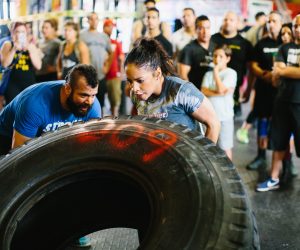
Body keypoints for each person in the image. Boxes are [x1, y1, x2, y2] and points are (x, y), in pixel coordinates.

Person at [125, 38, 220, 143]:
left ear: (157, 74)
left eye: (140, 80)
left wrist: (204, 157)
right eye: (130, 81)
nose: (134, 88)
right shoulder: (137, 95)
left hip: (188, 157)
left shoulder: (182, 91)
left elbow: (214, 124)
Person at [0, 64, 101, 155]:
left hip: (43, 139)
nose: (89, 101)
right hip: (7, 135)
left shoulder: (93, 107)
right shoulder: (35, 105)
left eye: (93, 95)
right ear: (67, 89)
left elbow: (92, 147)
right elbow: (19, 156)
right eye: (84, 95)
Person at [256, 14, 300, 192]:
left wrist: (284, 71)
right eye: (295, 26)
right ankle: (274, 178)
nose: (297, 29)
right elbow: (276, 73)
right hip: (282, 101)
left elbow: (281, 71)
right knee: (279, 143)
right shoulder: (284, 47)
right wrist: (288, 71)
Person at [246, 11, 282, 171]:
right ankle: (261, 156)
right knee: (262, 122)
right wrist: (263, 74)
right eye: (269, 21)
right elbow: (253, 64)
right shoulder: (261, 43)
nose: (271, 24)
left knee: (283, 127)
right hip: (263, 91)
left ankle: (286, 163)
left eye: (274, 21)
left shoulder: (287, 43)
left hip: (282, 93)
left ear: (281, 23)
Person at [211, 11, 254, 117]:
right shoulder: (212, 40)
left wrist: (248, 89)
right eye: (225, 19)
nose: (228, 22)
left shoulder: (245, 44)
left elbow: (250, 69)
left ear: (237, 23)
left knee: (229, 121)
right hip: (212, 88)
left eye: (231, 20)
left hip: (234, 91)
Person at [201, 44, 237, 160]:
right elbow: (203, 91)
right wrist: (220, 92)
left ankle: (229, 177)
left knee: (225, 148)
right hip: (209, 117)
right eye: (215, 56)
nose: (217, 59)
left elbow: (221, 89)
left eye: (221, 56)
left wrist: (216, 72)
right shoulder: (207, 74)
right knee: (208, 147)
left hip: (224, 117)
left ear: (228, 58)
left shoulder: (231, 73)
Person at [0, 21, 42, 104]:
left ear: (26, 33)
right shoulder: (7, 45)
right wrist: (14, 49)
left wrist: (30, 50)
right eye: (17, 31)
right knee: (13, 108)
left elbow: (38, 66)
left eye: (22, 32)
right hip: (12, 84)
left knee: (28, 107)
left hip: (28, 83)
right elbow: (5, 64)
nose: (20, 34)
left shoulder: (31, 46)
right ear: (12, 33)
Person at [80, 12, 112, 115]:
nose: (94, 21)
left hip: (101, 76)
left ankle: (98, 124)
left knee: (100, 103)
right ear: (88, 20)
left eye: (96, 19)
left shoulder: (104, 37)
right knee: (85, 103)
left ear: (98, 21)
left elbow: (111, 53)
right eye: (91, 19)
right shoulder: (82, 35)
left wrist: (107, 67)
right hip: (86, 76)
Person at [178, 15, 214, 89]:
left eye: (208, 28)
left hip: (213, 92)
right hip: (196, 93)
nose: (205, 32)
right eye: (201, 28)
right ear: (196, 29)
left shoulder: (216, 46)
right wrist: (193, 94)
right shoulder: (188, 49)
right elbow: (183, 76)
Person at [103, 19, 125, 116]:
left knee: (114, 102)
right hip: (101, 76)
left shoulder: (116, 43)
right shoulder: (100, 43)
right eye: (109, 26)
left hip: (113, 75)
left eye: (112, 27)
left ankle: (114, 121)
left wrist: (121, 74)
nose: (111, 29)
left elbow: (121, 59)